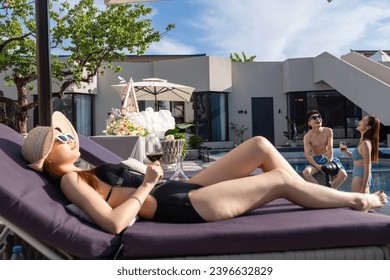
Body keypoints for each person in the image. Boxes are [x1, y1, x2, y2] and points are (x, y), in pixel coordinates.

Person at [21, 112, 387, 234]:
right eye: (59, 138)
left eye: (67, 133)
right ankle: (355, 199)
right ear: (48, 160)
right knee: (279, 181)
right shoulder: (70, 180)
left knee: (259, 144)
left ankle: (323, 196)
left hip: (178, 188)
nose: (69, 136)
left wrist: (149, 179)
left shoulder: (84, 171)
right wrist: (145, 185)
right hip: (182, 205)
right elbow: (114, 223)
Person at [302, 110, 347, 189]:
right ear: (309, 123)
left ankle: (329, 190)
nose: (318, 119)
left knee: (343, 174)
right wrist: (317, 166)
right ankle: (320, 190)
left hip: (328, 157)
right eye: (314, 118)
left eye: (319, 117)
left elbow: (330, 147)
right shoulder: (307, 136)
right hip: (317, 160)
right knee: (306, 172)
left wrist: (329, 162)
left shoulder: (328, 131)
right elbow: (308, 155)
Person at [340, 115, 380, 193]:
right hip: (358, 172)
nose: (359, 121)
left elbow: (367, 165)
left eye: (363, 120)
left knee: (358, 201)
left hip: (361, 175)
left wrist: (364, 186)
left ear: (368, 127)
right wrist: (347, 152)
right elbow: (359, 158)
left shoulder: (365, 143)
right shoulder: (362, 141)